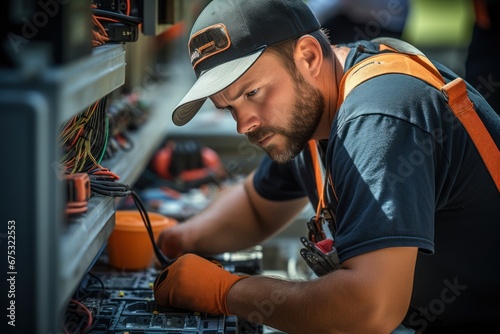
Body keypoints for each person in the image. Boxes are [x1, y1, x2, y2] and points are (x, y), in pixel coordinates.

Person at [154, 0, 500, 333]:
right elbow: (257, 205)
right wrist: (175, 240)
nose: (243, 124)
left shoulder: (376, 118)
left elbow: (370, 309)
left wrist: (225, 292)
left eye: (253, 93)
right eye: (229, 107)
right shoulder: (314, 106)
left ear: (308, 56)